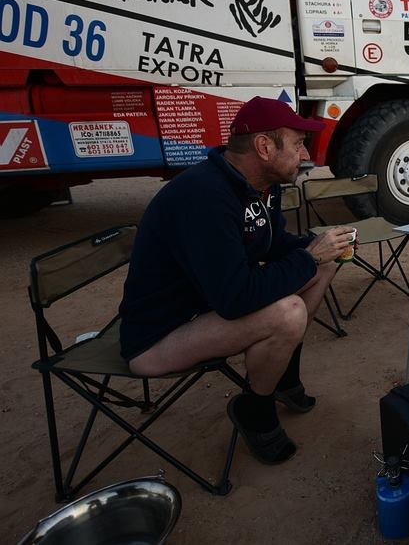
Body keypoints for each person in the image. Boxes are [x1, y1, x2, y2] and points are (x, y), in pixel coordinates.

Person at [118, 97, 357, 465]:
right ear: (264, 147)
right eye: (296, 144)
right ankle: (254, 410)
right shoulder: (205, 196)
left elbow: (273, 244)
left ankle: (282, 377)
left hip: (206, 306)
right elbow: (236, 297)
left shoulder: (261, 184)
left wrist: (319, 248)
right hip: (159, 337)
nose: (304, 152)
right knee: (289, 310)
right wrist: (308, 256)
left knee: (324, 265)